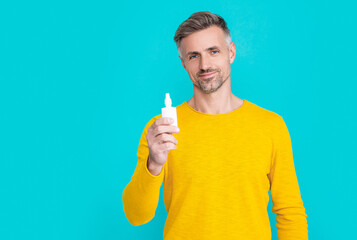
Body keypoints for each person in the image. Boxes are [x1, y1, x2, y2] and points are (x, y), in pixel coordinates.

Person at [122, 11, 308, 240]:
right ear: (183, 63)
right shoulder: (162, 129)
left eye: (213, 51)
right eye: (193, 56)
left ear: (231, 52)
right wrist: (153, 164)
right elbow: (135, 215)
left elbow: (290, 212)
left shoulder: (270, 126)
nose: (204, 64)